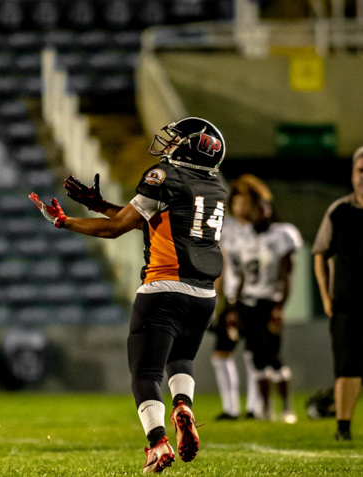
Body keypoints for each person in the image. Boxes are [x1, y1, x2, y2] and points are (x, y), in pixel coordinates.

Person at [30, 117, 227, 473]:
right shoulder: (215, 188)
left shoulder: (164, 176)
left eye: (176, 140)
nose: (169, 145)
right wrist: (99, 204)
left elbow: (118, 228)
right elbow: (146, 218)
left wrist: (65, 222)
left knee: (145, 373)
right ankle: (183, 405)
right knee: (181, 358)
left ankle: (157, 443)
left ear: (191, 146)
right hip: (203, 296)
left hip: (163, 288)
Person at [221, 174, 302, 423]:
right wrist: (234, 307)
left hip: (269, 302)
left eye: (265, 209)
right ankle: (265, 407)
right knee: (256, 356)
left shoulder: (281, 235)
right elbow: (243, 275)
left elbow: (287, 274)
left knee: (273, 356)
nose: (261, 214)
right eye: (257, 210)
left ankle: (286, 407)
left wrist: (280, 305)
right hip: (248, 302)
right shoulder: (245, 238)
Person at [312, 145, 363, 441]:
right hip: (347, 301)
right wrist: (325, 295)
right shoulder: (339, 211)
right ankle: (343, 428)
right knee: (347, 365)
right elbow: (319, 252)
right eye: (361, 170)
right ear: (352, 175)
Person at [210, 175, 265, 421]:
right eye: (237, 202)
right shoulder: (227, 229)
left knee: (254, 354)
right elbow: (221, 264)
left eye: (246, 202)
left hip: (256, 297)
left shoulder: (263, 229)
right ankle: (231, 407)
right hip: (232, 300)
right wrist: (215, 297)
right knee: (221, 354)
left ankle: (255, 407)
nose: (240, 207)